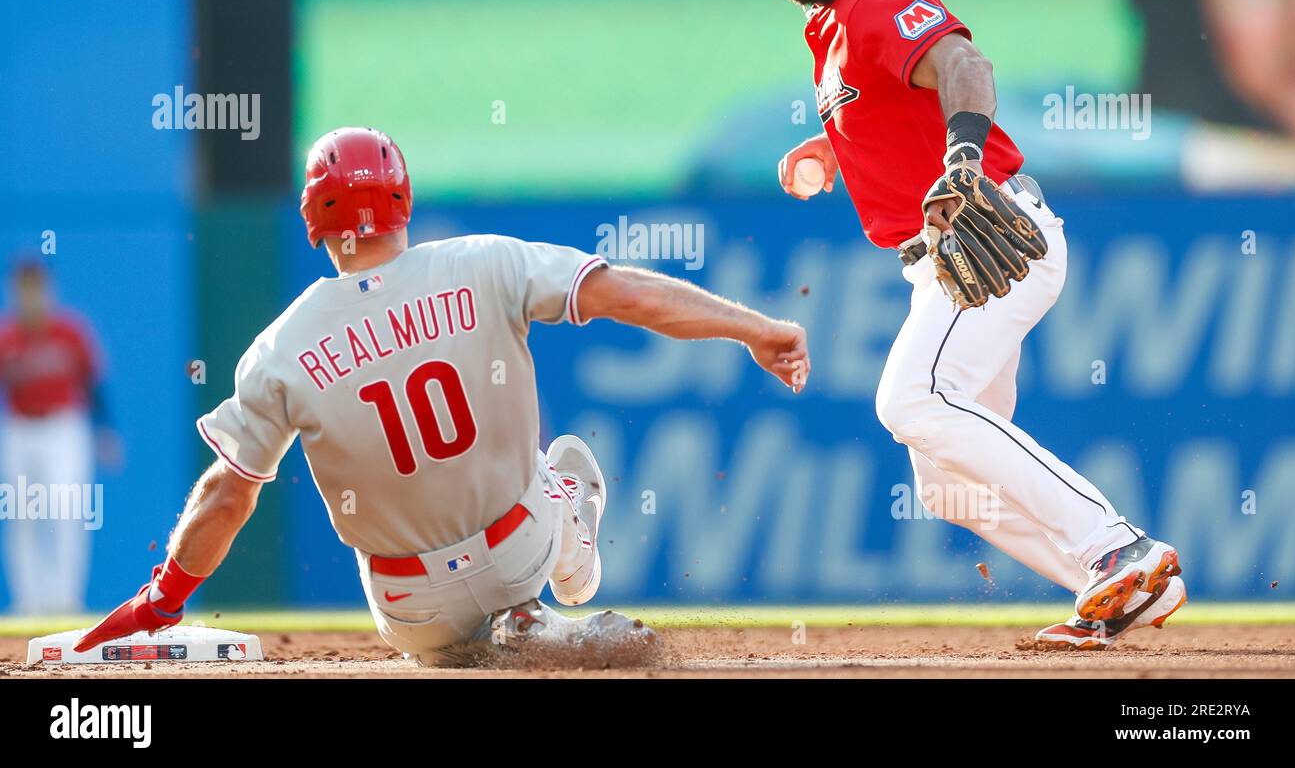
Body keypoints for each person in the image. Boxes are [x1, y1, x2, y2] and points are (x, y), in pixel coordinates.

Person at [75, 127, 809, 664]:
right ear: (403, 201)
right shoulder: (486, 262)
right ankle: (558, 586)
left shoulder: (280, 348)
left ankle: (515, 634)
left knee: (448, 621)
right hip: (519, 548)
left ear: (313, 220)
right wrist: (753, 328)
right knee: (555, 465)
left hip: (405, 608)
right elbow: (626, 295)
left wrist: (162, 598)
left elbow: (226, 497)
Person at [752, 0, 1185, 648]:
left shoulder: (877, 2)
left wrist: (961, 159)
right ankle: (1114, 584)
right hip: (946, 262)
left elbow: (963, 67)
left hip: (987, 236)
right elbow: (898, 106)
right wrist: (839, 146)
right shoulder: (832, 30)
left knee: (910, 400)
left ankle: (1115, 545)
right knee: (946, 484)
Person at [0, 260, 118, 615]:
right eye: (24, 287)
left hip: (64, 427)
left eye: (37, 286)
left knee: (67, 510)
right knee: (22, 513)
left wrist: (105, 430)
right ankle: (29, 601)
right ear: (16, 291)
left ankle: (65, 599)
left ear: (48, 289)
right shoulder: (8, 337)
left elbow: (94, 383)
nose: (31, 294)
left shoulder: (70, 332)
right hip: (20, 428)